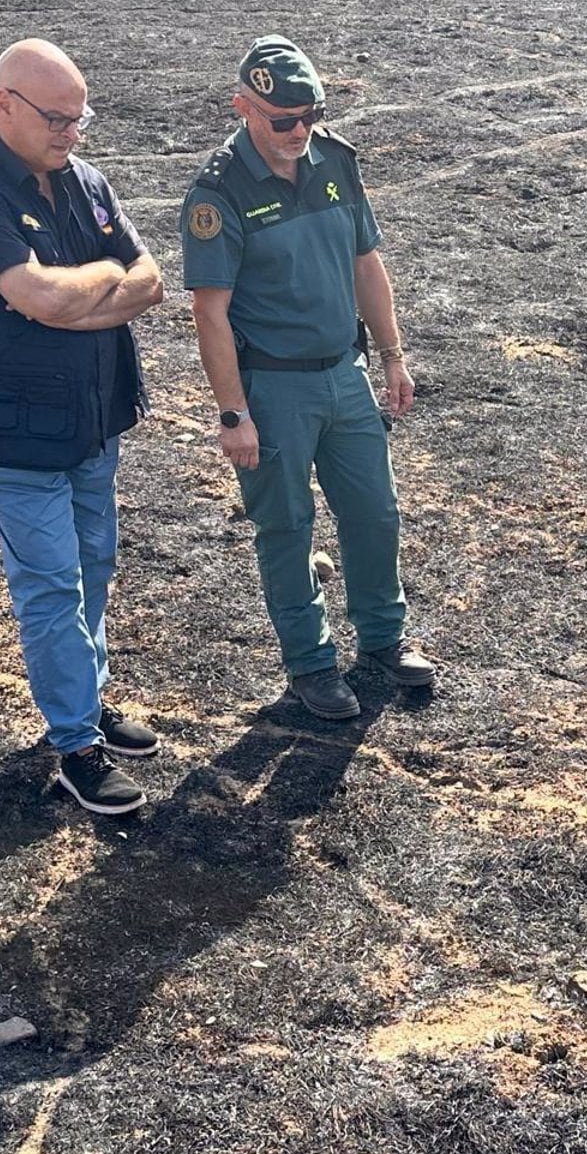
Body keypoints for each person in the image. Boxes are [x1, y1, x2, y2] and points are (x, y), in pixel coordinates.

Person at [0, 39, 165, 815]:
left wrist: (76, 295)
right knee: (50, 582)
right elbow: (43, 300)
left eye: (80, 118)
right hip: (14, 429)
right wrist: (93, 287)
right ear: (4, 105)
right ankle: (75, 745)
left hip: (91, 416)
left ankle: (84, 695)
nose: (72, 134)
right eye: (56, 118)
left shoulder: (84, 181)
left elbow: (149, 279)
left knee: (94, 563)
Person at [179, 35, 434, 721]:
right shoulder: (217, 192)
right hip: (272, 387)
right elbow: (210, 311)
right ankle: (311, 664)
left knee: (375, 512)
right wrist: (234, 414)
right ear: (242, 107)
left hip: (343, 374)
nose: (299, 132)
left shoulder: (336, 161)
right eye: (282, 120)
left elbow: (365, 265)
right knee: (287, 526)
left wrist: (391, 353)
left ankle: (382, 639)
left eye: (310, 116)